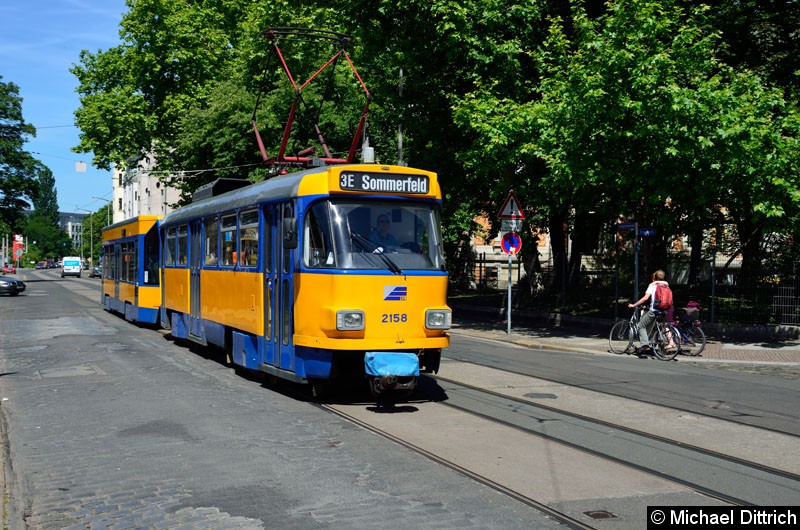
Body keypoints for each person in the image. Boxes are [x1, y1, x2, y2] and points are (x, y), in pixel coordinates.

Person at [628, 269, 670, 355]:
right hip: (664, 310)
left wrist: (634, 305)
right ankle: (660, 350)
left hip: (654, 310)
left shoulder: (652, 286)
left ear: (654, 277)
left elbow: (645, 298)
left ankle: (645, 345)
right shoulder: (666, 285)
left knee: (640, 326)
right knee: (655, 328)